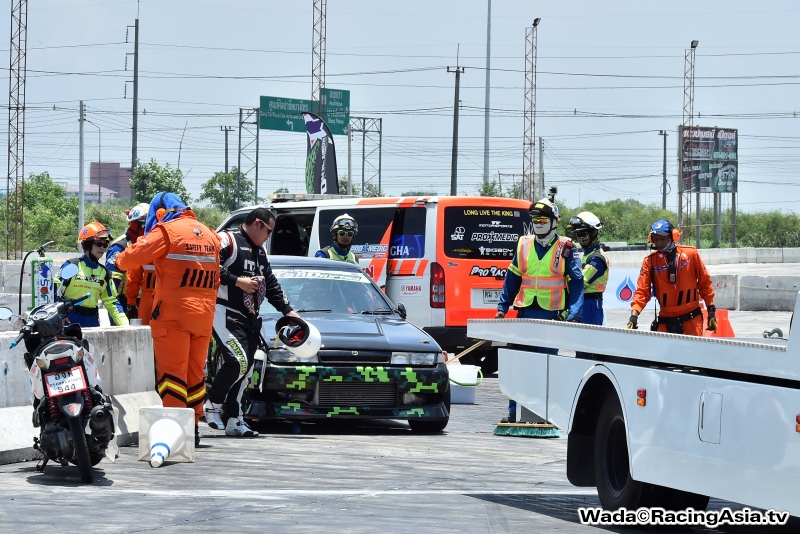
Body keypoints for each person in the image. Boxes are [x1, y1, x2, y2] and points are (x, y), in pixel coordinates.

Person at [116, 192, 220, 445]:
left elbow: (129, 260)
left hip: (173, 315)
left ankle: (176, 431)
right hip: (204, 316)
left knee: (172, 375)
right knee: (195, 374)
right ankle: (193, 427)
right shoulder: (210, 234)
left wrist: (119, 258)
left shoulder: (167, 232)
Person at [204, 207, 300, 437]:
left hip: (250, 317)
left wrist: (288, 310)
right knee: (238, 361)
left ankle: (234, 419)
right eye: (269, 231)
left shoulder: (261, 251)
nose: (269, 236)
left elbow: (271, 283)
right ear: (257, 224)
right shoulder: (226, 240)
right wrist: (238, 281)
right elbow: (207, 266)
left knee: (247, 371)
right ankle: (212, 403)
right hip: (224, 311)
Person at [495, 198, 584, 423]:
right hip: (524, 315)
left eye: (543, 220)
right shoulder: (523, 244)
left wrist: (574, 314)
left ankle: (544, 414)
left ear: (554, 222)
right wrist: (502, 307)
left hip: (550, 317)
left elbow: (577, 282)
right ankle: (515, 412)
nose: (538, 224)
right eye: (535, 220)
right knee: (519, 366)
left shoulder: (566, 247)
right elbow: (512, 278)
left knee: (546, 368)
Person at [627, 219, 717, 335]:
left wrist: (711, 310)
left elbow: (705, 283)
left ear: (673, 236)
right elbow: (642, 291)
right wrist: (634, 316)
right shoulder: (649, 262)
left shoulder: (691, 254)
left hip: (691, 321)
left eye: (662, 239)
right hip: (666, 320)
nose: (659, 243)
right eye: (656, 239)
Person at [56, 222, 129, 328]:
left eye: (105, 245)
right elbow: (53, 289)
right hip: (69, 320)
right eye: (99, 244)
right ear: (87, 245)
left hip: (92, 322)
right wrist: (59, 313)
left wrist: (126, 326)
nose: (102, 248)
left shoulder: (105, 273)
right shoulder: (72, 265)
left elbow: (112, 302)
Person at [105, 202, 150, 314]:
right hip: (124, 302)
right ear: (136, 226)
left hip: (144, 300)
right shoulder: (120, 247)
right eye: (147, 226)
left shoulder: (147, 245)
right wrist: (117, 315)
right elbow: (111, 287)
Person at [567, 211, 609, 326]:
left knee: (589, 336)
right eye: (577, 234)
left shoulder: (597, 258)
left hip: (590, 304)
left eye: (582, 234)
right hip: (581, 302)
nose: (580, 238)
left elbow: (581, 281)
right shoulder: (587, 255)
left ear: (594, 232)